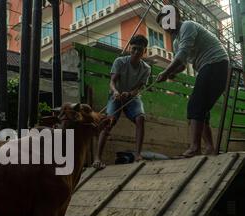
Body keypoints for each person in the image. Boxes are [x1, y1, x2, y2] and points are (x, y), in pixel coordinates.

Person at [156, 5, 229, 157]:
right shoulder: (176, 41)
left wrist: (166, 71)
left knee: (195, 105)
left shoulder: (187, 26)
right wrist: (172, 73)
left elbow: (182, 54)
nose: (166, 26)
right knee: (201, 109)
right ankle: (210, 148)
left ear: (176, 17)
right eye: (163, 24)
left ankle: (195, 147)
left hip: (216, 63)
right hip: (209, 67)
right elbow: (182, 64)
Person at [93, 34, 151, 169]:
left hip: (132, 98)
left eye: (140, 50)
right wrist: (115, 92)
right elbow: (112, 82)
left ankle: (137, 155)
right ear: (130, 48)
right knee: (108, 122)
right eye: (134, 48)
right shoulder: (120, 61)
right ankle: (97, 158)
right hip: (116, 96)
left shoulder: (146, 68)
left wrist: (130, 93)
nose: (136, 52)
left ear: (144, 51)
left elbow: (139, 88)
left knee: (141, 118)